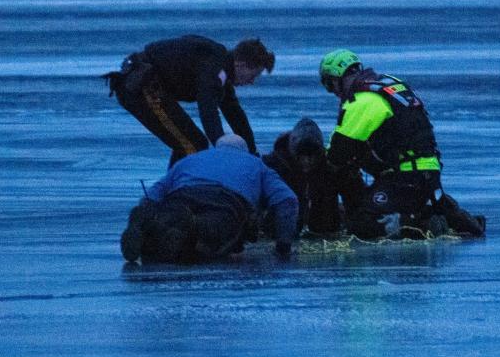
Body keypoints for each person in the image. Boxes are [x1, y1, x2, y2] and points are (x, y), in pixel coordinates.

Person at [318, 49, 485, 239]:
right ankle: (445, 213)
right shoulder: (389, 84)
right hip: (426, 172)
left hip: (406, 176)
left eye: (329, 85)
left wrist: (323, 162)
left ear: (337, 77)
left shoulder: (363, 100)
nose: (333, 92)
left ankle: (420, 224)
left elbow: (340, 151)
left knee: (361, 225)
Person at [120, 134, 298, 264]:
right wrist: (283, 245)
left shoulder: (191, 159)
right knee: (214, 229)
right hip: (226, 201)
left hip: (182, 196)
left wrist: (148, 209)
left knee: (165, 224)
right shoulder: (257, 165)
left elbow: (153, 195)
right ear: (246, 151)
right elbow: (287, 200)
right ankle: (193, 225)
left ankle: (147, 228)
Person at [104, 35, 275, 166]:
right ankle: (177, 196)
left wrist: (252, 152)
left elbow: (234, 112)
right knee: (192, 145)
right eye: (253, 75)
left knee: (193, 143)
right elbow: (208, 108)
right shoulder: (215, 67)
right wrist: (221, 144)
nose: (252, 81)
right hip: (141, 87)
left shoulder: (222, 72)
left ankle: (176, 191)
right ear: (241, 65)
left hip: (148, 86)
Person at [261, 117, 343, 236]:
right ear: (294, 153)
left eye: (311, 156)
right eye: (303, 156)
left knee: (326, 220)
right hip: (281, 217)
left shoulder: (327, 165)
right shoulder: (275, 163)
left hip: (318, 221)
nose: (307, 161)